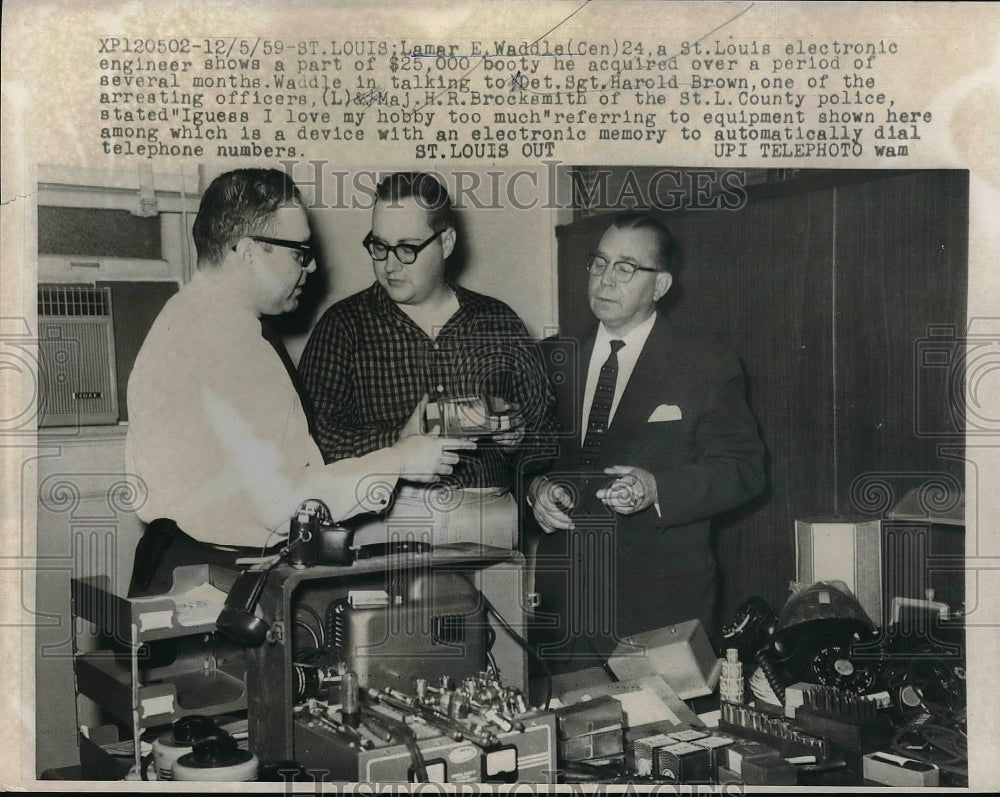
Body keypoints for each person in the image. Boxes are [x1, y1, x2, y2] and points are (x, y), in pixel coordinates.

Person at [125, 168, 474, 597]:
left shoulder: (184, 317)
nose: (311, 266)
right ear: (250, 251)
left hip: (180, 563)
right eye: (298, 252)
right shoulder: (229, 347)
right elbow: (285, 506)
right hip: (216, 577)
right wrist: (399, 461)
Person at [528, 213, 765, 672]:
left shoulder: (705, 366)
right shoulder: (550, 360)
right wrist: (536, 489)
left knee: (668, 739)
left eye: (626, 268)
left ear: (660, 286)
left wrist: (659, 487)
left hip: (660, 605)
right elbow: (518, 460)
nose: (605, 280)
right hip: (565, 608)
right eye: (599, 264)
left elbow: (744, 469)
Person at [298, 171, 557, 551]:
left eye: (407, 248)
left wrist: (519, 437)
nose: (390, 265)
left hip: (489, 520)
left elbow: (548, 437)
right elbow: (309, 442)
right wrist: (398, 441)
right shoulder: (343, 326)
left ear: (446, 242)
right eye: (379, 246)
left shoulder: (498, 321)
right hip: (383, 518)